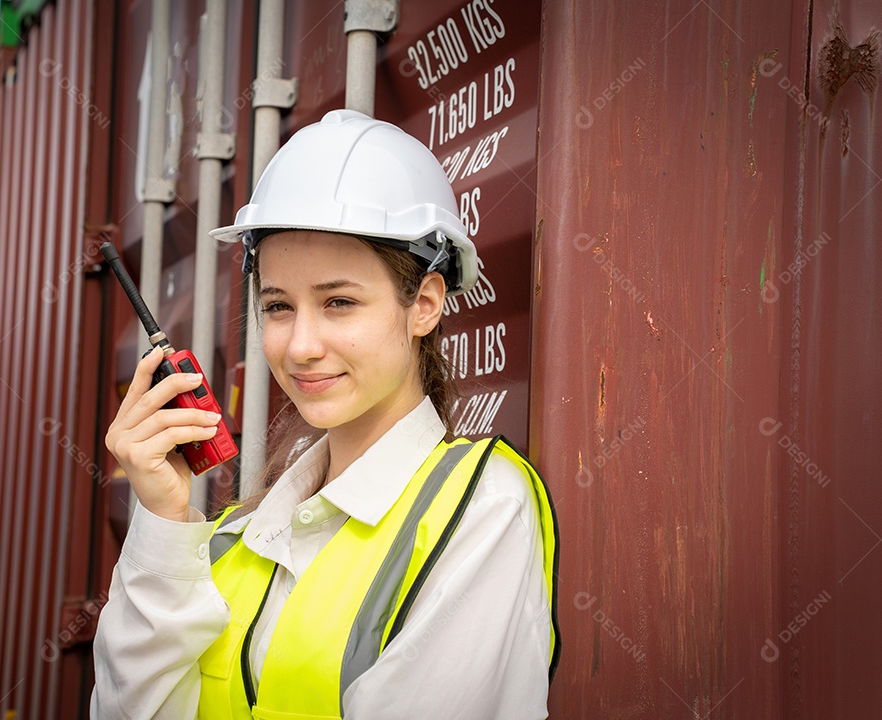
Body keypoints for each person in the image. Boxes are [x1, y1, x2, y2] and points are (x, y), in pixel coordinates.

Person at [91, 109, 559, 720]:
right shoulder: (234, 539)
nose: (300, 345)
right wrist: (162, 518)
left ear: (423, 305)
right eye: (278, 306)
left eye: (338, 302)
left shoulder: (481, 509)